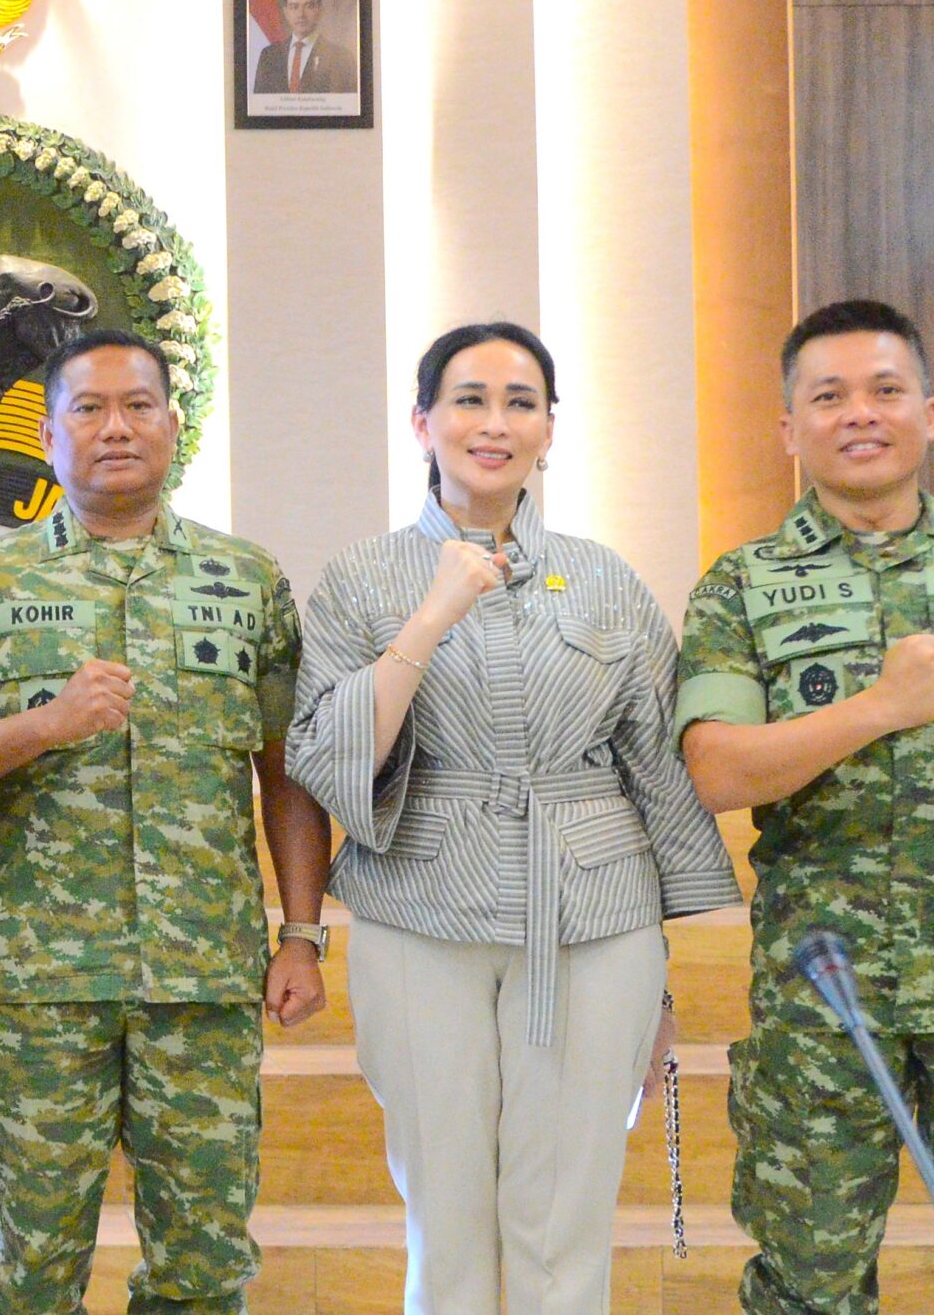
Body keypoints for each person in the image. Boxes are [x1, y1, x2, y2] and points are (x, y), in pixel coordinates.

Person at [286, 321, 739, 1315]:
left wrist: (658, 968)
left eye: (519, 401)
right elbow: (321, 756)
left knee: (562, 1213)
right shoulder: (362, 577)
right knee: (444, 1208)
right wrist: (430, 614)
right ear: (421, 422)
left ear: (547, 430)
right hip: (418, 910)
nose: (494, 422)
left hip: (592, 917)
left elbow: (656, 766)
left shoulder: (607, 577)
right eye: (469, 398)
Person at [677, 298, 934, 1314]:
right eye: (827, 396)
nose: (858, 413)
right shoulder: (738, 585)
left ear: (933, 413)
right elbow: (719, 771)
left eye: (884, 389)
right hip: (825, 1004)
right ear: (789, 428)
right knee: (807, 1289)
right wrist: (881, 706)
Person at [0, 326, 331, 1315]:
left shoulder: (248, 580)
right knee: (31, 1264)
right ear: (49, 436)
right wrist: (47, 724)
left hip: (205, 980)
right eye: (87, 410)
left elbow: (285, 772)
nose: (114, 428)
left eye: (137, 405)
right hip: (48, 982)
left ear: (173, 426)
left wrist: (300, 933)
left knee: (203, 1266)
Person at [250, 0, 357, 96]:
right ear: (285, 12)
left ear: (320, 10)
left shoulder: (341, 58)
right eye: (294, 7)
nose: (301, 14)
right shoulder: (268, 56)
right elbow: (260, 106)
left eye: (309, 6)